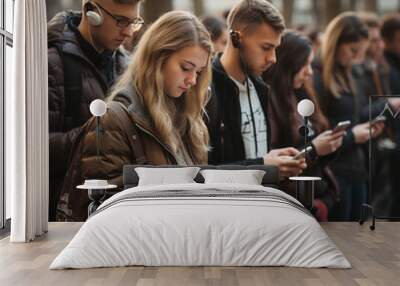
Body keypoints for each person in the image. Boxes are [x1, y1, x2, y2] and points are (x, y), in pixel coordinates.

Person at [59, 10, 213, 221]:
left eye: (199, 71)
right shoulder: (112, 120)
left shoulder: (189, 121)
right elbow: (106, 213)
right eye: (186, 68)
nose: (193, 80)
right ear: (157, 59)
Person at [47, 0, 143, 221]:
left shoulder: (128, 67)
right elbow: (32, 150)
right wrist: (95, 136)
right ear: (91, 12)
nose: (128, 32)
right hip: (67, 216)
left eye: (134, 22)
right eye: (121, 21)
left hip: (117, 210)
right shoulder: (51, 63)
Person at [207, 0, 306, 180]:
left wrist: (272, 159)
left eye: (275, 49)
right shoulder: (206, 91)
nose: (273, 58)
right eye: (266, 48)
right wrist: (263, 165)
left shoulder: (260, 88)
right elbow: (204, 171)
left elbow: (253, 157)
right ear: (236, 39)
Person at [263, 31, 345, 221]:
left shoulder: (300, 93)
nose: (310, 71)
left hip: (318, 196)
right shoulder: (270, 99)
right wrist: (315, 149)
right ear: (289, 64)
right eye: (304, 65)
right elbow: (275, 158)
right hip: (294, 202)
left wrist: (330, 145)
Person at [313, 12, 387, 221]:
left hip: (357, 170)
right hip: (335, 174)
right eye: (353, 51)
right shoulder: (318, 77)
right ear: (336, 43)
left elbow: (357, 114)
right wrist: (354, 136)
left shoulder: (349, 73)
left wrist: (374, 120)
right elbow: (319, 137)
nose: (356, 58)